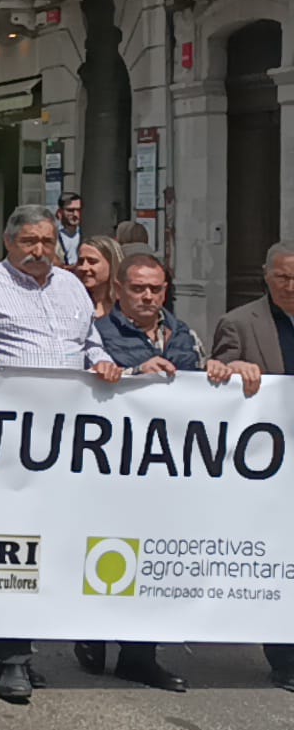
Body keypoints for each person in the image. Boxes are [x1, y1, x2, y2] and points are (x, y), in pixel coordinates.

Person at [0, 204, 123, 703]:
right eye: (29, 242)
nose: (39, 252)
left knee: (49, 544)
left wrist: (103, 363)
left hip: (68, 438)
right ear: (9, 243)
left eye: (47, 242)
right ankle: (14, 657)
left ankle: (5, 648)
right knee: (18, 544)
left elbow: (90, 343)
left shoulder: (72, 286)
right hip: (8, 437)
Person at [82, 252, 241, 693]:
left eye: (156, 288)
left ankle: (139, 655)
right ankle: (90, 635)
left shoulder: (181, 334)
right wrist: (132, 373)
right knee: (101, 552)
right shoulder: (96, 334)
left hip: (168, 472)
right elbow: (79, 384)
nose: (148, 296)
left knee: (150, 558)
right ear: (119, 291)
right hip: (110, 470)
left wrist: (217, 372)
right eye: (138, 288)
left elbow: (199, 392)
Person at [210, 241, 291, 689]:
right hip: (266, 466)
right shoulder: (240, 323)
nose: (292, 286)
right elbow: (214, 380)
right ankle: (284, 657)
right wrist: (234, 366)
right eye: (284, 277)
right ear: (266, 275)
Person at [74, 235, 123, 319]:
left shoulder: (126, 306)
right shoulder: (72, 303)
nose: (84, 267)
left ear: (111, 264)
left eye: (92, 261)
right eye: (81, 261)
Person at [55, 192, 84, 266]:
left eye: (78, 210)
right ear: (60, 212)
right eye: (70, 210)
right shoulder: (53, 237)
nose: (75, 214)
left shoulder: (87, 235)